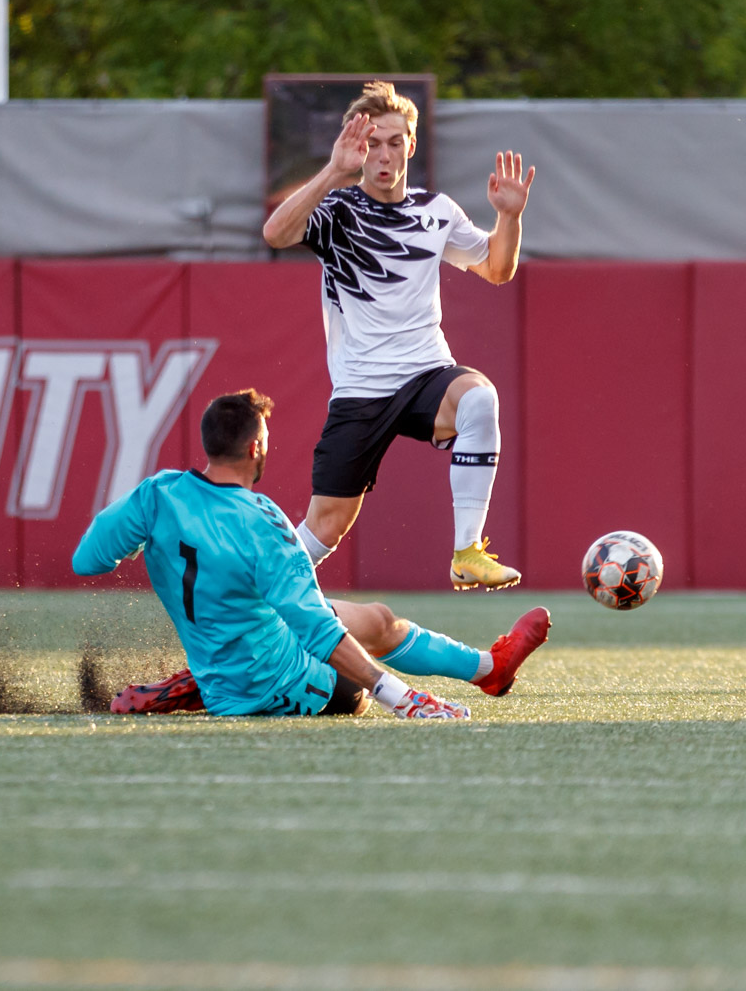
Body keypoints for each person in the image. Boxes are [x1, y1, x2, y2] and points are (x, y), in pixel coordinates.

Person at [74, 391, 546, 718]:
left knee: (377, 619)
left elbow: (87, 560)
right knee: (354, 694)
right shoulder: (261, 520)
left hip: (230, 658)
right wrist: (401, 696)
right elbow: (317, 631)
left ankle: (490, 669)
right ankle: (190, 687)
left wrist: (147, 541)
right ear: (256, 447)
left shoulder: (155, 495)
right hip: (278, 687)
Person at [262, 81, 535, 591]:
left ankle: (467, 552)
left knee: (479, 399)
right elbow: (276, 234)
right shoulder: (338, 211)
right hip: (361, 389)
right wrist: (333, 171)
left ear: (411, 146)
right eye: (372, 144)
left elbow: (498, 269)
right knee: (326, 526)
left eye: (393, 142)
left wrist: (508, 218)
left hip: (426, 372)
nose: (383, 155)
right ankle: (257, 598)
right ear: (357, 149)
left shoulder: (438, 211)